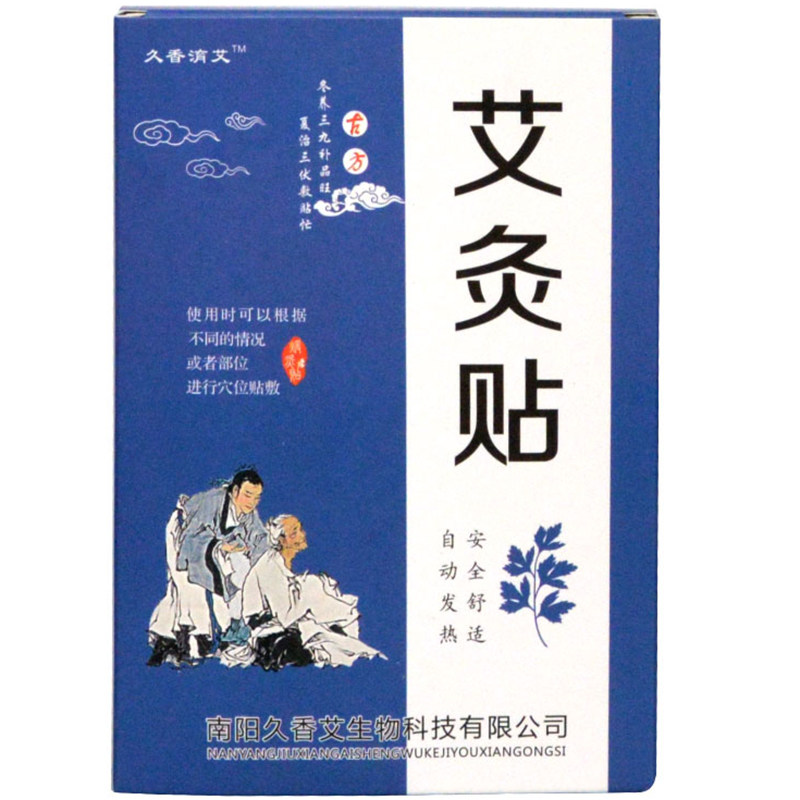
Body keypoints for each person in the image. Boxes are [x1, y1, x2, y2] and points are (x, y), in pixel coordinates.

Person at [147, 470, 268, 666]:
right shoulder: (211, 502)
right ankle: (178, 641)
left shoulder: (248, 512)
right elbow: (191, 539)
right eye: (248, 495)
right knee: (186, 589)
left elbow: (260, 538)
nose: (252, 502)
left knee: (229, 583)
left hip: (211, 549)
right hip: (183, 537)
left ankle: (181, 639)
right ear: (234, 491)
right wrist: (220, 547)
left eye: (257, 497)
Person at [241, 514, 385, 670]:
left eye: (300, 529)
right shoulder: (270, 568)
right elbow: (285, 617)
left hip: (289, 624)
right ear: (282, 541)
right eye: (294, 533)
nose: (302, 535)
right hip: (267, 631)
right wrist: (308, 596)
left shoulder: (283, 561)